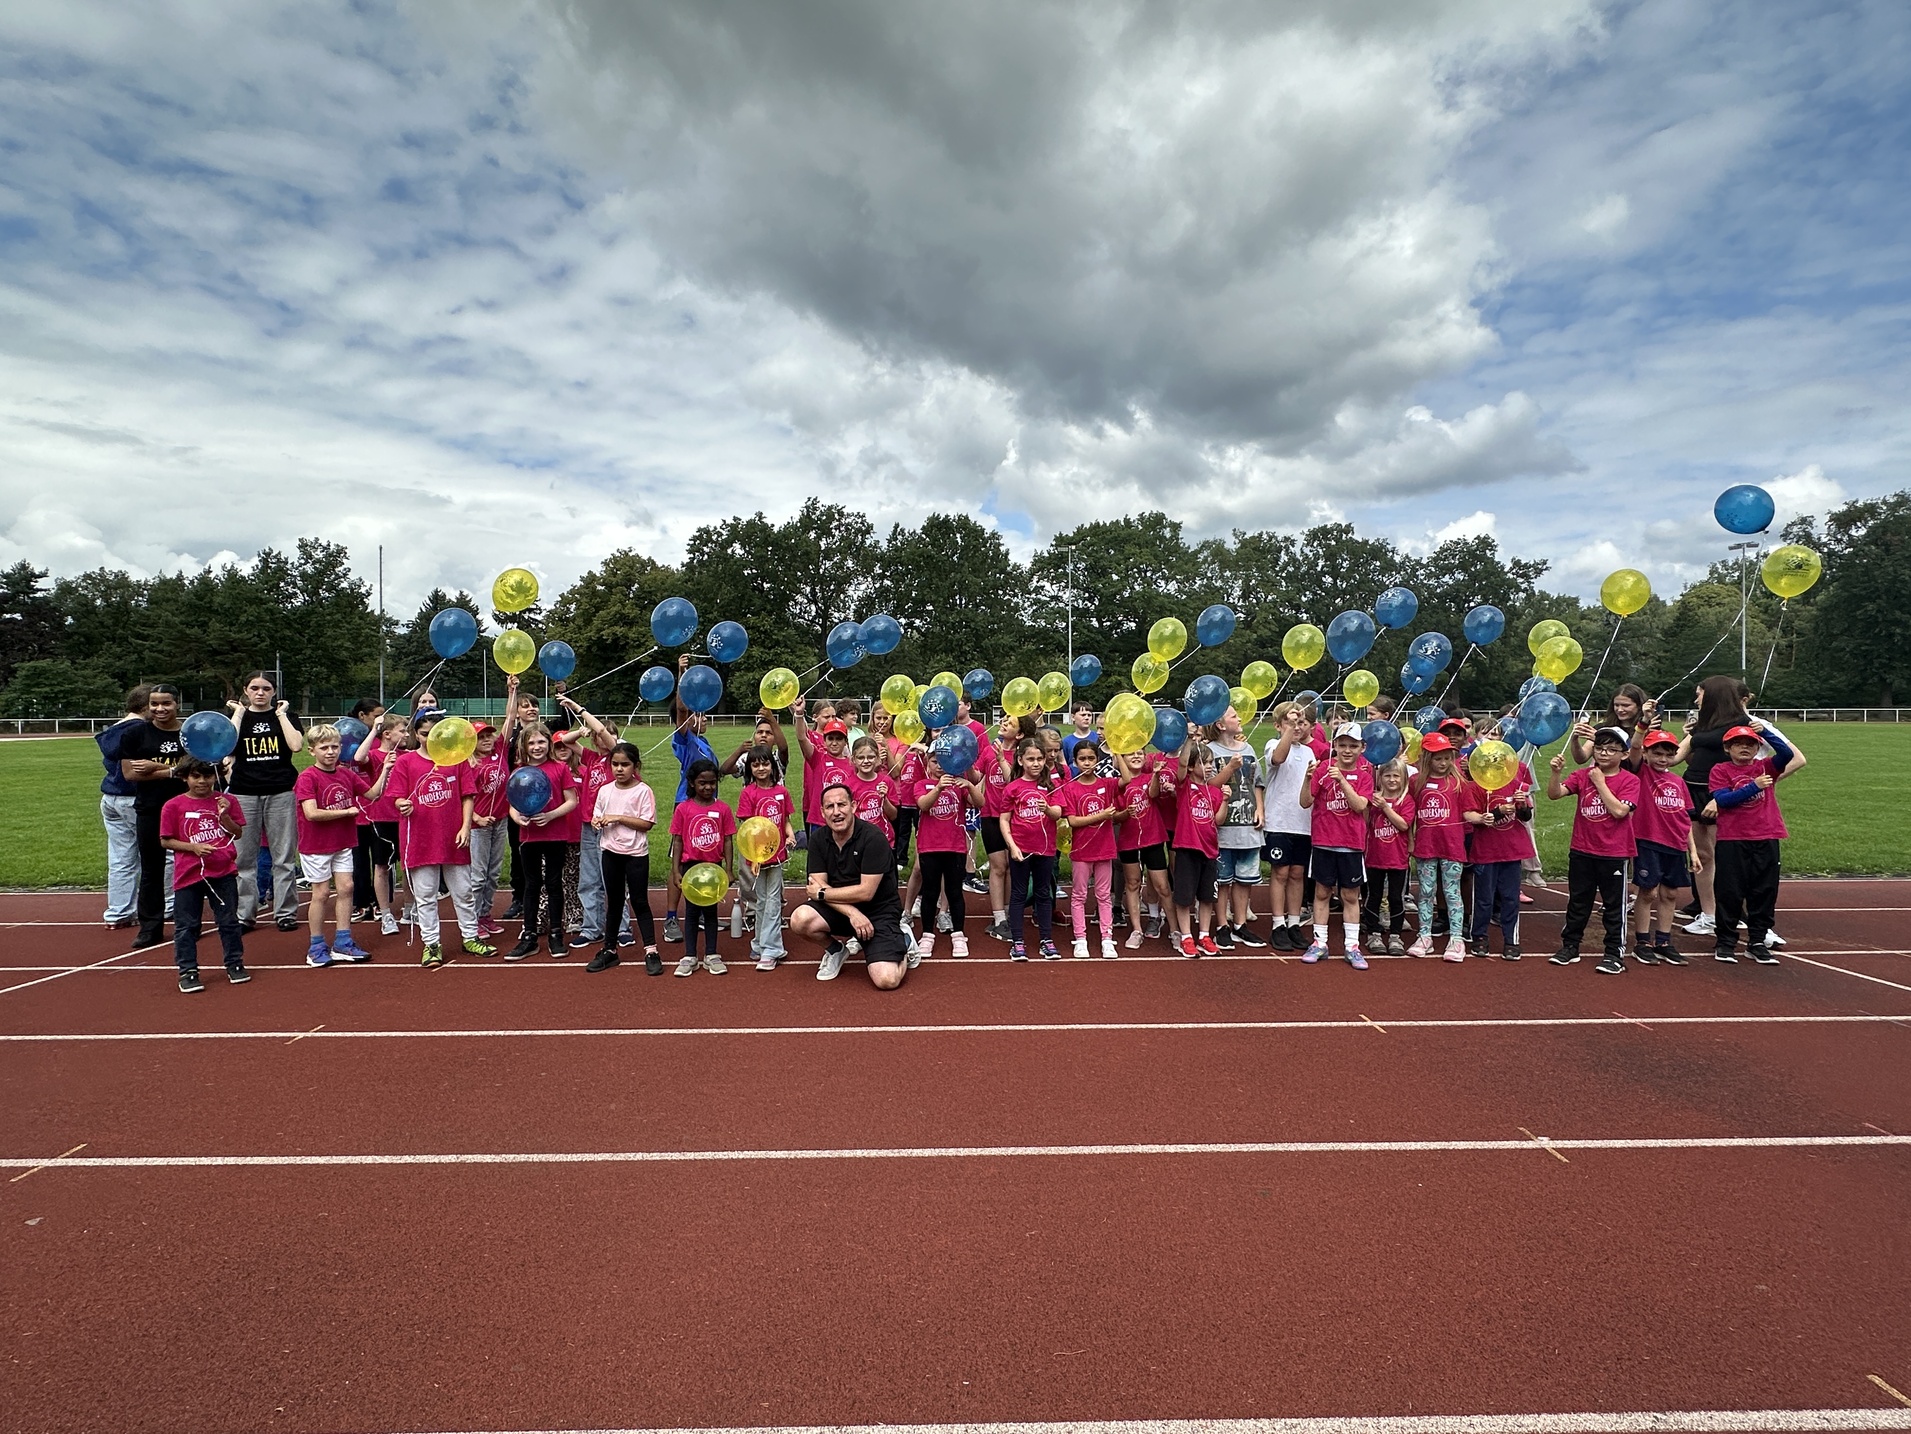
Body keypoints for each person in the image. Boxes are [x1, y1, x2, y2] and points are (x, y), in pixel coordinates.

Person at [791, 781, 913, 987]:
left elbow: (865, 892)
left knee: (887, 980)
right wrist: (852, 913)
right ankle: (836, 950)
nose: (836, 812)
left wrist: (821, 894)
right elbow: (817, 884)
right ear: (822, 812)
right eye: (830, 807)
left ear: (854, 806)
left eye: (842, 805)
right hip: (843, 910)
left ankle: (904, 943)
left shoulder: (873, 838)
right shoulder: (818, 839)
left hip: (878, 910)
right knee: (800, 919)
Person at [391, 709, 487, 966]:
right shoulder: (406, 762)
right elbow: (397, 796)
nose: (428, 739)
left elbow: (468, 795)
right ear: (416, 734)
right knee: (426, 895)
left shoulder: (457, 760)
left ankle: (470, 936)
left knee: (464, 892)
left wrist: (466, 826)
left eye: (434, 734)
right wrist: (402, 804)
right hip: (420, 838)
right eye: (423, 734)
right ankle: (431, 943)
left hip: (453, 837)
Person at [1706, 720, 1805, 965]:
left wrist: (1767, 732)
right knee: (1730, 891)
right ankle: (1726, 941)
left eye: (1750, 744)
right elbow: (1724, 800)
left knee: (1764, 890)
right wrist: (1754, 786)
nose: (1744, 748)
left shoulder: (1766, 767)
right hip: (1733, 838)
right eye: (1737, 744)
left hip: (1766, 835)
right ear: (1727, 748)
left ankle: (1758, 940)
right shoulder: (1720, 770)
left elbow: (1787, 753)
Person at [294, 724, 395, 966]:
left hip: (342, 842)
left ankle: (343, 941)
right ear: (312, 751)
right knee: (321, 893)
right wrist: (345, 812)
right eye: (324, 747)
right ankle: (316, 945)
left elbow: (372, 795)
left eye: (334, 747)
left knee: (347, 888)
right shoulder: (307, 777)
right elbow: (311, 813)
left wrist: (386, 770)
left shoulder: (346, 774)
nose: (330, 752)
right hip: (317, 845)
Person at [1547, 726, 1641, 973]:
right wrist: (1556, 773)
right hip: (1582, 848)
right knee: (1579, 901)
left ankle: (1613, 953)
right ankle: (1570, 945)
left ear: (1623, 754)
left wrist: (1600, 783)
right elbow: (1555, 794)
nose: (1604, 754)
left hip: (1614, 852)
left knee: (1613, 905)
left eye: (1612, 749)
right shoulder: (1581, 775)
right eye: (1599, 748)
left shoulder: (1630, 780)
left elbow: (1620, 811)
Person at [159, 758, 248, 994]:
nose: (202, 781)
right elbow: (165, 840)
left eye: (207, 776)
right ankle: (188, 970)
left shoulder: (227, 801)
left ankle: (234, 963)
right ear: (185, 777)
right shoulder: (173, 806)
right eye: (196, 776)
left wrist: (225, 815)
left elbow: (237, 833)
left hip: (222, 871)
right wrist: (193, 848)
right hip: (189, 874)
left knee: (228, 921)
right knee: (187, 925)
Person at [225, 672, 305, 932]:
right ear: (246, 691)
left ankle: (285, 912)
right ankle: (245, 914)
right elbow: (227, 748)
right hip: (244, 792)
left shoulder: (286, 717)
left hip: (280, 791)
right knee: (244, 859)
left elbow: (295, 746)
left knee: (283, 856)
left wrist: (281, 714)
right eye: (254, 688)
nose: (260, 693)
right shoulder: (238, 718)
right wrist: (238, 713)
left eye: (266, 688)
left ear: (274, 691)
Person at [1678, 675, 1750, 940]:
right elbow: (1676, 756)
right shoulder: (1701, 725)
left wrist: (1733, 794)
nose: (1697, 698)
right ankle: (1708, 914)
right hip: (1693, 789)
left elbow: (1760, 762)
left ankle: (1732, 913)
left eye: (1701, 693)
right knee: (1702, 856)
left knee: (1728, 857)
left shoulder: (1743, 725)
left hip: (1723, 794)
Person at [554, 696, 626, 951]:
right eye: (595, 737)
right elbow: (565, 741)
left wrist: (577, 709)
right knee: (589, 879)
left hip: (611, 825)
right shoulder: (592, 759)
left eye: (603, 736)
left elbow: (602, 731)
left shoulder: (617, 760)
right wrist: (580, 731)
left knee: (613, 879)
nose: (598, 739)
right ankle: (592, 928)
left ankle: (621, 928)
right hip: (589, 825)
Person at [1298, 722, 1373, 968]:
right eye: (1342, 745)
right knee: (1321, 893)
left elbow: (1360, 805)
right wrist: (1308, 779)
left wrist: (1341, 780)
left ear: (1362, 748)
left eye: (1353, 746)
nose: (1347, 750)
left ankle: (1352, 945)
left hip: (1350, 844)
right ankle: (1320, 943)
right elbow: (1305, 802)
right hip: (1323, 842)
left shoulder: (1364, 776)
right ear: (1335, 746)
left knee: (1350, 895)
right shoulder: (1322, 770)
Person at [120, 684, 188, 952]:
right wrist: (176, 769)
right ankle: (150, 927)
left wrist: (157, 768)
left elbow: (196, 770)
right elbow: (130, 774)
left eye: (166, 704)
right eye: (154, 704)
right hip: (150, 808)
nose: (160, 709)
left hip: (186, 807)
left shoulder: (189, 733)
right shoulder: (136, 734)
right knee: (151, 869)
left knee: (191, 866)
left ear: (177, 704)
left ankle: (188, 922)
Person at [505, 723, 578, 960]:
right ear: (524, 746)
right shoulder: (519, 771)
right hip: (529, 837)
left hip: (555, 834)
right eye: (531, 743)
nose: (537, 747)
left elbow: (571, 801)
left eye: (541, 742)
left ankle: (556, 934)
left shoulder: (560, 769)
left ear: (548, 743)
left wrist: (550, 815)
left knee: (554, 883)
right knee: (532, 885)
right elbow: (512, 806)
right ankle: (529, 936)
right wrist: (518, 818)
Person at [589, 741, 661, 974]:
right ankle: (609, 950)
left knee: (639, 902)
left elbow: (646, 823)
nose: (619, 769)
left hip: (635, 854)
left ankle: (651, 950)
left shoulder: (643, 791)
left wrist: (618, 817)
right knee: (615, 902)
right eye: (615, 764)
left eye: (625, 765)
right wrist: (597, 821)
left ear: (636, 766)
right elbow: (598, 815)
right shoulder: (605, 790)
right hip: (610, 852)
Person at [1631, 727, 1698, 965]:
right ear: (1647, 754)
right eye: (1657, 753)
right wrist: (1643, 727)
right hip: (1649, 841)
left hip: (1676, 844)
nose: (1662, 759)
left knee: (1670, 893)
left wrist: (1693, 850)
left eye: (1668, 755)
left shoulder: (1678, 782)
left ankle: (1663, 940)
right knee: (1648, 892)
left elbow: (1685, 817)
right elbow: (1635, 749)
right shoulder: (1641, 773)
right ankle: (1642, 941)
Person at [1463, 750, 1536, 960]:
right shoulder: (1475, 786)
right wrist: (1494, 813)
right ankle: (1479, 936)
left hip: (1512, 850)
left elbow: (1525, 816)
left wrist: (1521, 804)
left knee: (1510, 897)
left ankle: (1511, 939)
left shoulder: (1516, 785)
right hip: (1486, 851)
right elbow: (1470, 815)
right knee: (1484, 898)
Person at [1171, 737, 1240, 957]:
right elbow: (1181, 764)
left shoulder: (1215, 791)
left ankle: (1203, 935)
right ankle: (1186, 937)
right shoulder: (1184, 786)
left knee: (1207, 896)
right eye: (1204, 762)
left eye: (1211, 762)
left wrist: (1226, 801)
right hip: (1186, 847)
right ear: (1192, 766)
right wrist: (1190, 740)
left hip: (1209, 850)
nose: (1209, 766)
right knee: (1184, 897)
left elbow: (1218, 820)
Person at [667, 758, 736, 976]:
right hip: (691, 868)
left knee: (711, 913)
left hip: (713, 867)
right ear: (692, 783)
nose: (707, 787)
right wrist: (676, 870)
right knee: (692, 912)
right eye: (702, 783)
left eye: (712, 782)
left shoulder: (722, 809)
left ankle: (712, 954)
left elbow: (727, 840)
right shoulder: (684, 809)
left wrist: (728, 869)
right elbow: (677, 841)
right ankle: (689, 956)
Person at [916, 747, 984, 958]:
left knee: (954, 892)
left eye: (944, 762)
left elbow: (980, 803)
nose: (939, 767)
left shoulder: (959, 785)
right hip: (929, 847)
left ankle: (958, 934)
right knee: (930, 892)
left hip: (955, 847)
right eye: (935, 762)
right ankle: (927, 935)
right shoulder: (922, 785)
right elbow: (923, 805)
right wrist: (937, 788)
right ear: (928, 763)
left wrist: (970, 786)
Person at [1059, 735, 1123, 958]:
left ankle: (1107, 938)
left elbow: (1125, 779)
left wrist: (1117, 753)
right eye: (1082, 759)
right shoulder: (1071, 789)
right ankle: (1080, 938)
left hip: (1104, 848)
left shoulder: (1107, 784)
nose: (1087, 763)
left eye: (1091, 758)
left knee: (1104, 896)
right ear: (1075, 762)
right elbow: (1074, 821)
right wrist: (1102, 815)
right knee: (1079, 895)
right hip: (1081, 851)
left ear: (1098, 760)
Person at [735, 745, 797, 972]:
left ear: (772, 766)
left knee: (772, 901)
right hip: (756, 857)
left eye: (765, 763)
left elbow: (786, 820)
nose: (761, 768)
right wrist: (755, 856)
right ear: (750, 769)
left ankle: (770, 949)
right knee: (760, 900)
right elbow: (746, 827)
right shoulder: (748, 793)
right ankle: (761, 943)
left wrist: (789, 835)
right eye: (756, 764)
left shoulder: (781, 792)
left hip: (778, 855)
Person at [1260, 701, 1316, 953]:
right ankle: (1277, 923)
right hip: (1279, 821)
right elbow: (1279, 758)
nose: (1297, 726)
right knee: (1280, 873)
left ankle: (1294, 922)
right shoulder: (1273, 744)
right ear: (1279, 725)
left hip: (1302, 823)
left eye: (1300, 722)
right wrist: (1288, 731)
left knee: (1297, 874)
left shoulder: (1308, 752)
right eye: (1291, 721)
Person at [1001, 736, 1064, 960]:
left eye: (1040, 759)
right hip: (1021, 849)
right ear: (1020, 760)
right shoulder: (1013, 788)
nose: (1036, 763)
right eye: (1031, 759)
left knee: (1043, 894)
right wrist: (1012, 846)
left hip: (1045, 849)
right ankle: (1017, 941)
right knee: (1018, 894)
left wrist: (1047, 809)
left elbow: (1058, 812)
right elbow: (1004, 819)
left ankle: (1046, 940)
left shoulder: (1050, 786)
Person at [1208, 705, 1264, 949]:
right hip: (1223, 829)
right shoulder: (1209, 751)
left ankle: (1240, 925)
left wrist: (1260, 809)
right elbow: (1208, 784)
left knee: (1245, 880)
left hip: (1248, 828)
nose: (1239, 718)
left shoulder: (1249, 749)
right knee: (1222, 880)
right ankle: (1222, 925)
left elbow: (1257, 783)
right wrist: (1229, 768)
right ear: (1221, 725)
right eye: (1233, 716)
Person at [96, 685, 152, 930]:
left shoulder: (112, 731)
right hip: (134, 796)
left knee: (121, 858)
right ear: (146, 707)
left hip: (111, 797)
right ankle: (169, 903)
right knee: (163, 853)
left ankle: (118, 912)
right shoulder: (141, 730)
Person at [1407, 732, 1467, 961]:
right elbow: (1410, 814)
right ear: (1427, 758)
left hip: (1452, 847)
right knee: (1425, 892)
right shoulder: (1416, 782)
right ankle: (1424, 935)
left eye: (1447, 758)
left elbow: (1467, 811)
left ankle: (1456, 938)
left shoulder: (1458, 782)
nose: (1443, 763)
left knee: (1452, 893)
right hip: (1425, 846)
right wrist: (1411, 840)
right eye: (1437, 758)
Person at [352, 712, 408, 934]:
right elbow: (358, 757)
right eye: (402, 731)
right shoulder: (375, 756)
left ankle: (411, 908)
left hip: (404, 817)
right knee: (382, 866)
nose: (406, 734)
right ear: (387, 734)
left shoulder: (407, 755)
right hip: (381, 818)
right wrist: (373, 729)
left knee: (409, 867)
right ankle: (385, 914)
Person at [1115, 747, 1172, 950]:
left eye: (1140, 752)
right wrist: (1124, 814)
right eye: (1130, 753)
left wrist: (1156, 773)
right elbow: (1116, 817)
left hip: (1153, 838)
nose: (1137, 756)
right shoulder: (1119, 784)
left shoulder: (1149, 776)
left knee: (1162, 886)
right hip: (1129, 841)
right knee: (1132, 883)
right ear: (1122, 758)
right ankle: (1137, 929)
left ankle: (1175, 930)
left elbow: (1153, 793)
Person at [1362, 760, 1415, 956]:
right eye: (1387, 776)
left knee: (1396, 897)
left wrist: (1385, 807)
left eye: (1396, 776)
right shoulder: (1373, 800)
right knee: (1373, 896)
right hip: (1375, 857)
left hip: (1397, 858)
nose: (1392, 780)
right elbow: (1366, 822)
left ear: (1403, 779)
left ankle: (1395, 934)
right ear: (1380, 778)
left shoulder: (1406, 801)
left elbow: (1403, 825)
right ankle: (1373, 932)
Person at [465, 721, 510, 940]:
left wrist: (512, 692)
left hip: (499, 822)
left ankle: (485, 914)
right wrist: (476, 818)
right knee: (478, 876)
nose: (486, 740)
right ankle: (471, 921)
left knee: (493, 874)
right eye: (481, 737)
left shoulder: (500, 752)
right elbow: (462, 798)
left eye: (489, 735)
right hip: (478, 826)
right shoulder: (469, 764)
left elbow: (510, 720)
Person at [1568, 683, 1653, 769]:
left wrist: (1601, 740)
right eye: (1616, 705)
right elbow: (1581, 759)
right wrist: (1575, 739)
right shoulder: (1602, 728)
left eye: (1626, 705)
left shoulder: (1647, 731)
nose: (1619, 709)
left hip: (1631, 781)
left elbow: (1634, 764)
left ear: (1639, 706)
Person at [1060, 701, 1096, 772]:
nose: (1086, 718)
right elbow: (1065, 763)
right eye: (1083, 715)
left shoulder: (1098, 738)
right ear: (1073, 717)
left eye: (1089, 715)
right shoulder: (1066, 741)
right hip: (1075, 779)